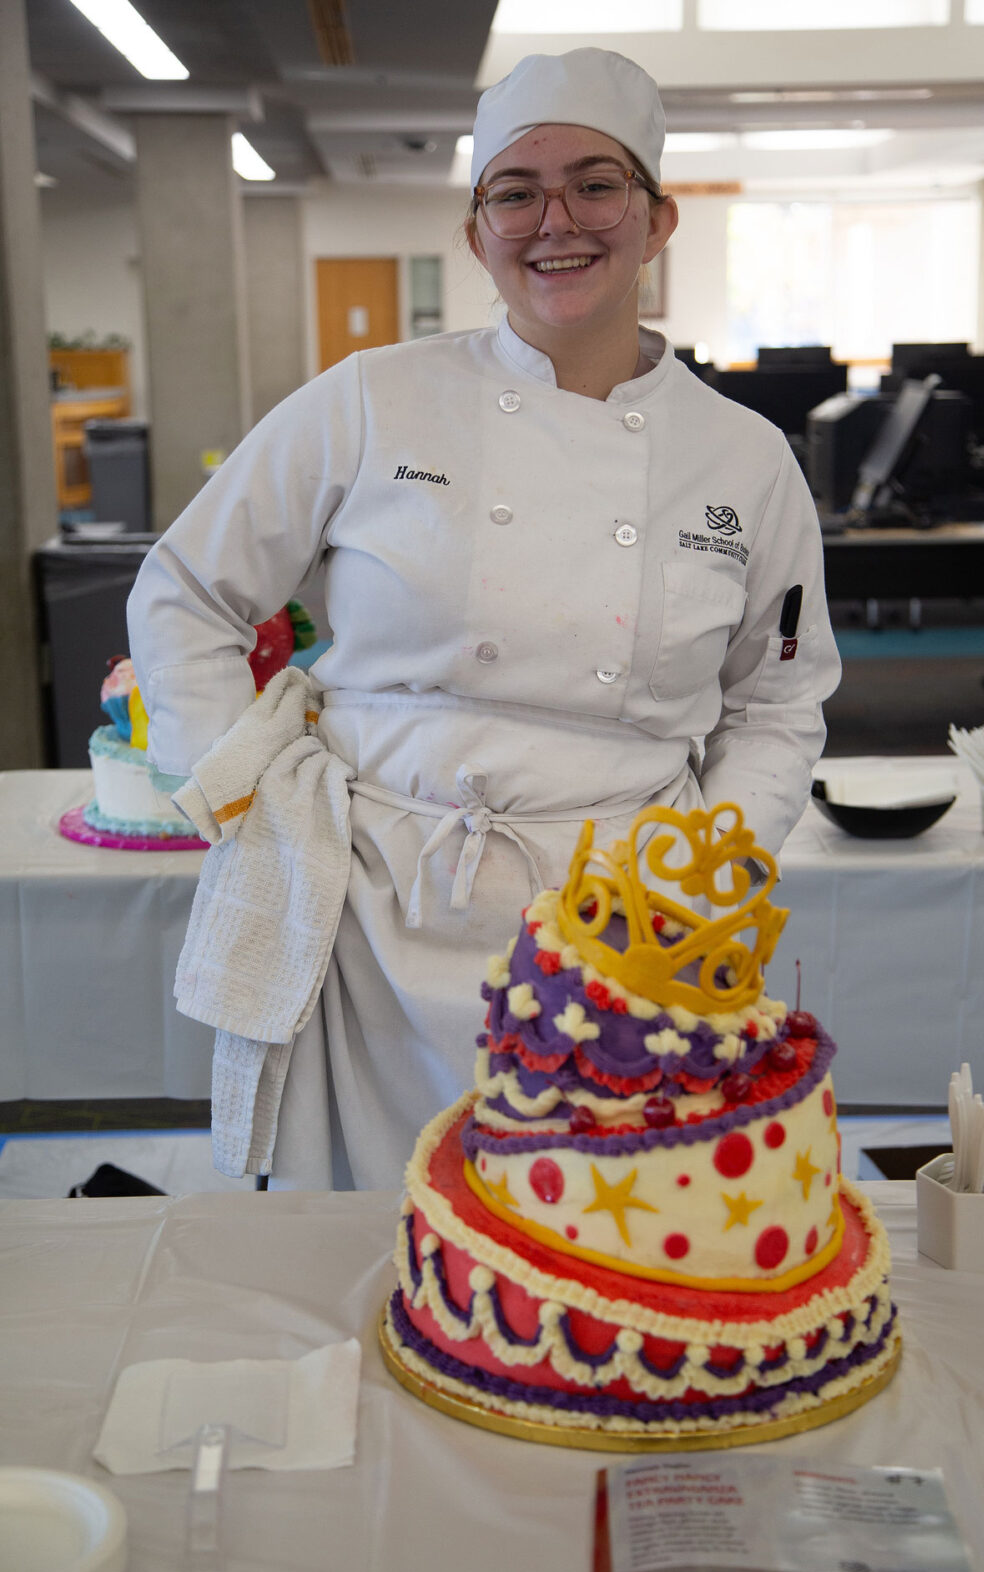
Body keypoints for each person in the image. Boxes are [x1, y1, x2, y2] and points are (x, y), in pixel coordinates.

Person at [128, 48, 841, 1191]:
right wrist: (251, 799)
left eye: (595, 184)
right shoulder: (371, 398)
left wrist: (708, 872)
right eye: (516, 191)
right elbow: (184, 592)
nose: (555, 219)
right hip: (368, 909)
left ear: (657, 220)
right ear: (476, 233)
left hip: (623, 928)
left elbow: (780, 699)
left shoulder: (745, 459)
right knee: (350, 1251)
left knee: (581, 1254)